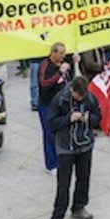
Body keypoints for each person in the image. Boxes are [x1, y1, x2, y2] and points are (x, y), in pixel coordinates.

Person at [44, 75, 101, 219]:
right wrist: (68, 119)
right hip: (65, 147)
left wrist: (89, 119)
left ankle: (79, 207)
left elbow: (98, 118)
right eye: (78, 96)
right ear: (71, 89)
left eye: (83, 96)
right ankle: (57, 217)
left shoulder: (90, 98)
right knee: (63, 183)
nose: (81, 98)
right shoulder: (59, 100)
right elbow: (52, 123)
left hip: (85, 145)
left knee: (83, 177)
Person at [38, 43, 73, 172]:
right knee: (49, 134)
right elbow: (44, 83)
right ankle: (51, 164)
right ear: (53, 53)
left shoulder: (61, 64)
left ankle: (63, 160)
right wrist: (60, 72)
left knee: (63, 133)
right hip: (47, 105)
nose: (63, 56)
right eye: (61, 53)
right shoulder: (45, 65)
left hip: (61, 105)